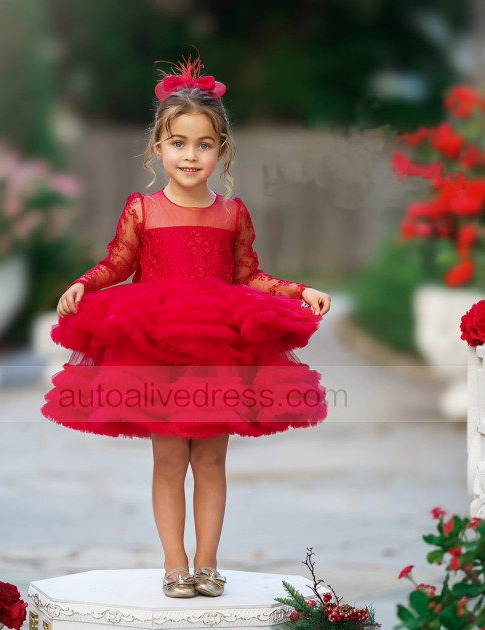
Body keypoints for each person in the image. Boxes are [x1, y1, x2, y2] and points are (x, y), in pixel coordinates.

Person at [41, 52, 331, 600]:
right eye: (179, 142)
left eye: (203, 144)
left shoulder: (232, 212)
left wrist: (299, 291)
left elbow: (250, 274)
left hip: (216, 346)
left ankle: (206, 563)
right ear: (158, 148)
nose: (190, 155)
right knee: (170, 457)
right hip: (157, 345)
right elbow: (119, 263)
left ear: (221, 150)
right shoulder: (142, 210)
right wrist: (86, 283)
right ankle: (174, 563)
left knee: (213, 458)